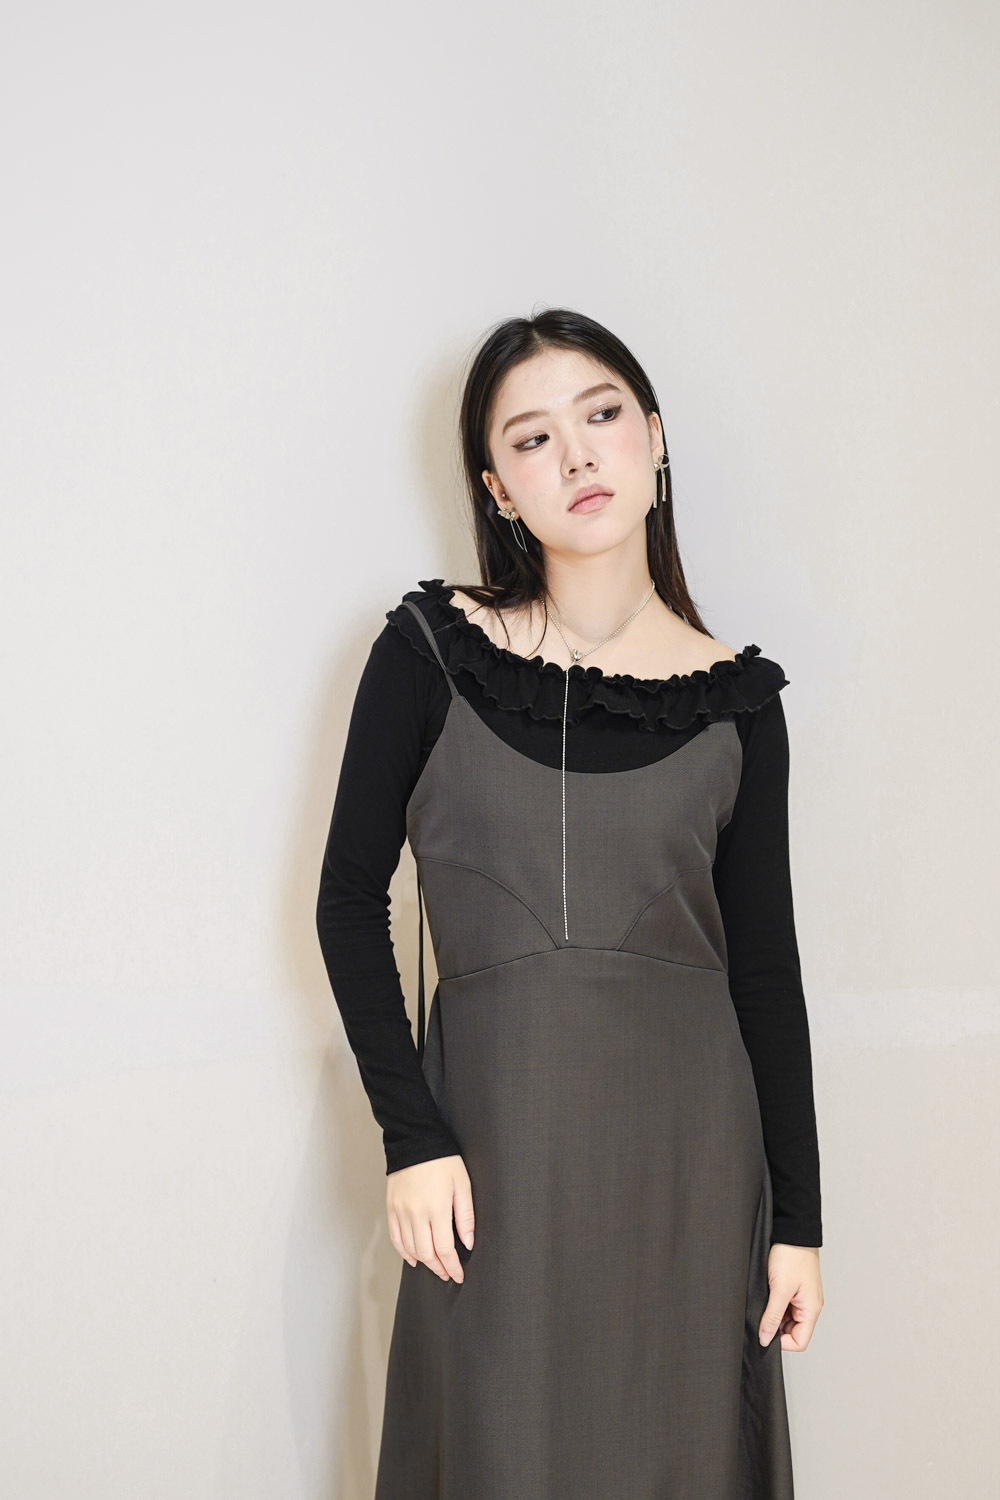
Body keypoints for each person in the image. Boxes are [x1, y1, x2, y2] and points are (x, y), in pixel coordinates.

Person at [316, 307, 824, 1498]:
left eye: (600, 415)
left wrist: (797, 1221)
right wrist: (411, 1138)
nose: (578, 455)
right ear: (498, 489)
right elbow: (347, 902)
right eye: (532, 438)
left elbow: (764, 973)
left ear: (654, 435)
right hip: (490, 1163)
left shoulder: (737, 705)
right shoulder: (430, 653)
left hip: (694, 1179)